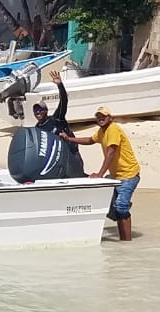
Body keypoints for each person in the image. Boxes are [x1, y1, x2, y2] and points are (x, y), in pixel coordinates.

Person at [59, 106, 140, 241]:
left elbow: (111, 153)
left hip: (128, 174)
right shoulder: (102, 131)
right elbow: (90, 140)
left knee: (121, 207)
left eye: (103, 116)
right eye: (98, 116)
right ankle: (123, 243)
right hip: (115, 176)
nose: (100, 118)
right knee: (111, 206)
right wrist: (69, 139)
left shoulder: (113, 129)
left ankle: (127, 243)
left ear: (110, 118)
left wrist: (100, 174)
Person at [32, 70, 86, 177]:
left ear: (46, 111)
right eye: (36, 110)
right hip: (56, 161)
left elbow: (64, 101)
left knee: (78, 177)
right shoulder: (37, 128)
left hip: (72, 154)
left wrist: (60, 85)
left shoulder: (57, 118)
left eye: (40, 110)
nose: (38, 112)